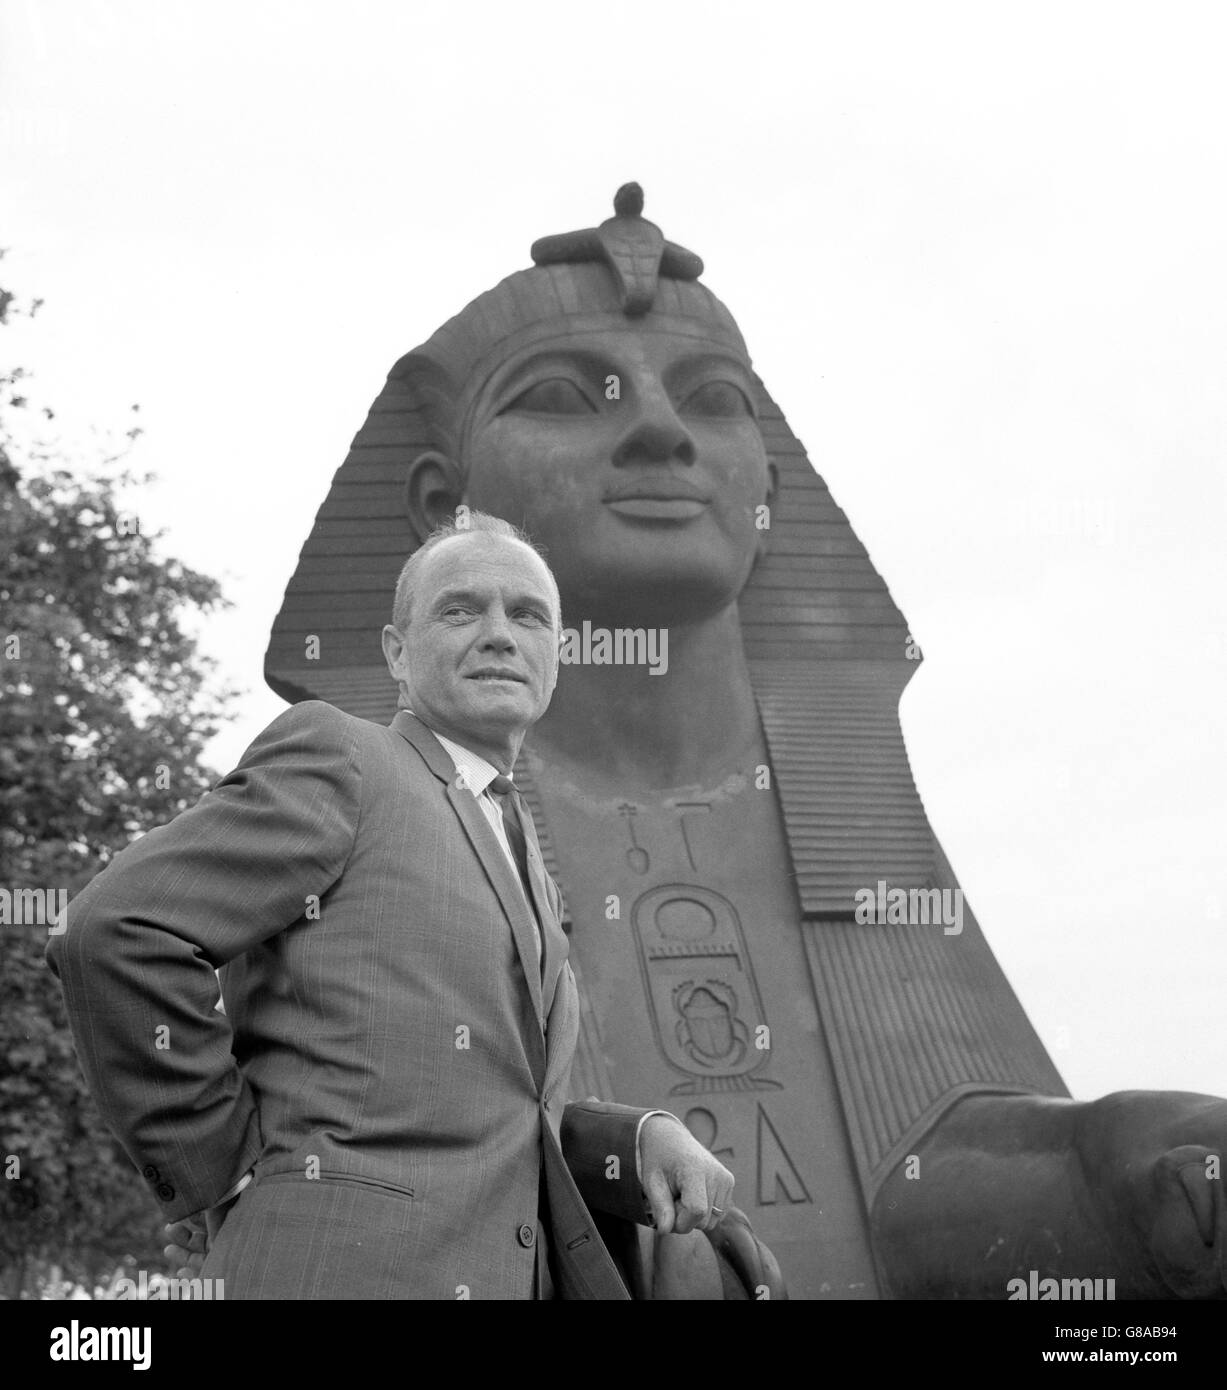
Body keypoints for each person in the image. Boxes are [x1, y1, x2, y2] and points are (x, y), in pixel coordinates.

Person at [265, 185, 1226, 1298]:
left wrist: (1129, 1165)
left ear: (769, 479)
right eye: (566, 396)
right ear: (441, 504)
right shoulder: (371, 795)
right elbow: (421, 1142)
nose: (663, 429)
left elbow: (920, 1175)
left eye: (716, 398)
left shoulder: (834, 800)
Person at [47, 513, 741, 1299]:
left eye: (527, 615)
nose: (498, 634)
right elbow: (116, 931)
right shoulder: (345, 760)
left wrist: (638, 1136)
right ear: (396, 654)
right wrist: (223, 1177)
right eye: (458, 609)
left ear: (556, 655)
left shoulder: (522, 853)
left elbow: (499, 1108)